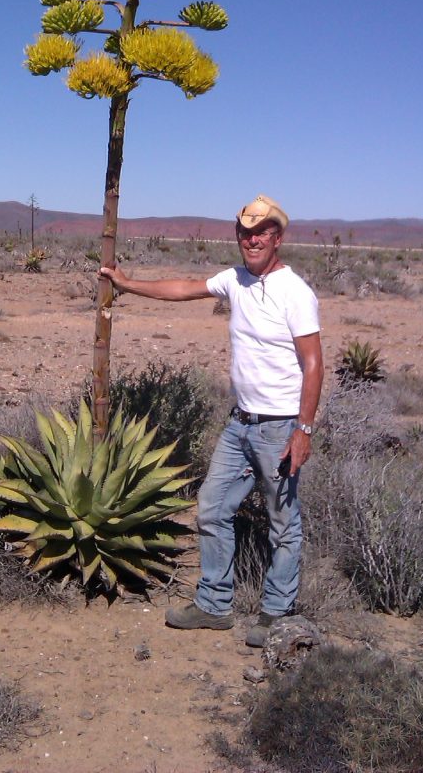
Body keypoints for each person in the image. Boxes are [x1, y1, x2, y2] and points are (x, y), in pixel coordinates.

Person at [100, 194, 323, 647]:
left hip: (279, 427)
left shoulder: (295, 292)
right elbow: (185, 287)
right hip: (240, 424)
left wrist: (304, 430)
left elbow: (314, 363)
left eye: (261, 232)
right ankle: (215, 604)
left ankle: (277, 614)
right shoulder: (235, 280)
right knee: (212, 508)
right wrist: (127, 284)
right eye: (245, 232)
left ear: (278, 237)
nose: (252, 239)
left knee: (283, 521)